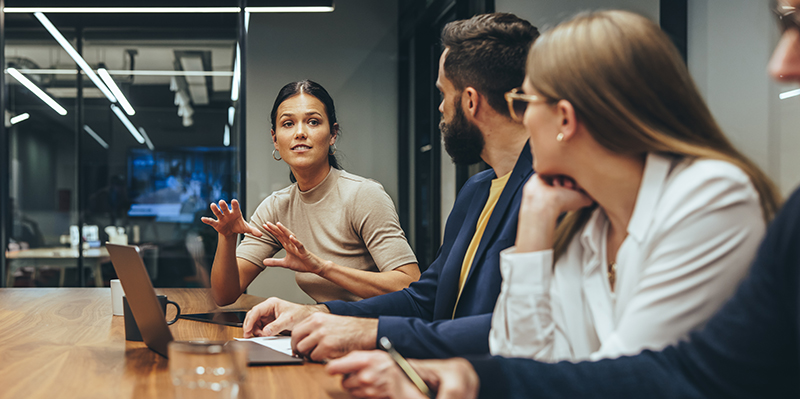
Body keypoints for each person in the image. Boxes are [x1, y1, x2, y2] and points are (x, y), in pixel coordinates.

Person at [325, 4, 800, 398]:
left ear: (565, 120)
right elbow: (525, 355)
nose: (523, 122)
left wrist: (474, 380)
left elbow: (627, 379)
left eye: (528, 104)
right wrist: (533, 223)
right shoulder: (580, 215)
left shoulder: (711, 195)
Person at [241, 13, 539, 360]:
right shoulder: (476, 190)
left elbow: (519, 330)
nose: (440, 108)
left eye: (444, 94)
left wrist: (365, 332)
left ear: (470, 101)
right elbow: (424, 298)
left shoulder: (550, 195)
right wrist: (320, 314)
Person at [204, 80, 420, 306]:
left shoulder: (363, 195)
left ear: (333, 134)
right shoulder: (277, 207)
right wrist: (227, 239)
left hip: (378, 332)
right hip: (326, 331)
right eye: (288, 124)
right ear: (275, 139)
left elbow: (409, 286)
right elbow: (224, 295)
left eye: (313, 122)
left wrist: (322, 267)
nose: (300, 133)